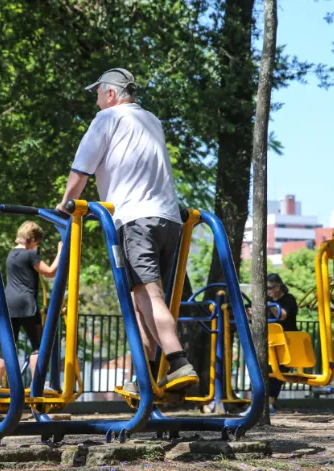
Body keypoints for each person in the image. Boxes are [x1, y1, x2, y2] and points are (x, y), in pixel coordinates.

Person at [55, 67, 198, 393]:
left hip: (136, 219)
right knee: (139, 300)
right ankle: (145, 378)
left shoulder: (107, 119)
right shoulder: (151, 120)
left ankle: (178, 361)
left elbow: (81, 171)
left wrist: (65, 205)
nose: (95, 99)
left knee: (149, 295)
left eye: (97, 93)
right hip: (170, 220)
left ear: (111, 93)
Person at [0, 221, 62, 388]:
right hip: (26, 304)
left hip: (8, 303)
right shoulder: (30, 255)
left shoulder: (11, 255)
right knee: (37, 344)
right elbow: (50, 272)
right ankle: (37, 383)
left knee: (7, 343)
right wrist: (61, 251)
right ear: (32, 239)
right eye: (37, 242)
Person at [265, 273, 299, 415]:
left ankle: (270, 404)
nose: (268, 292)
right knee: (267, 370)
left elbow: (283, 315)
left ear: (278, 287)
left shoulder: (288, 299)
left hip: (287, 341)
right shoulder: (268, 299)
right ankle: (264, 403)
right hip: (272, 341)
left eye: (269, 288)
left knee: (278, 372)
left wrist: (270, 305)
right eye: (266, 289)